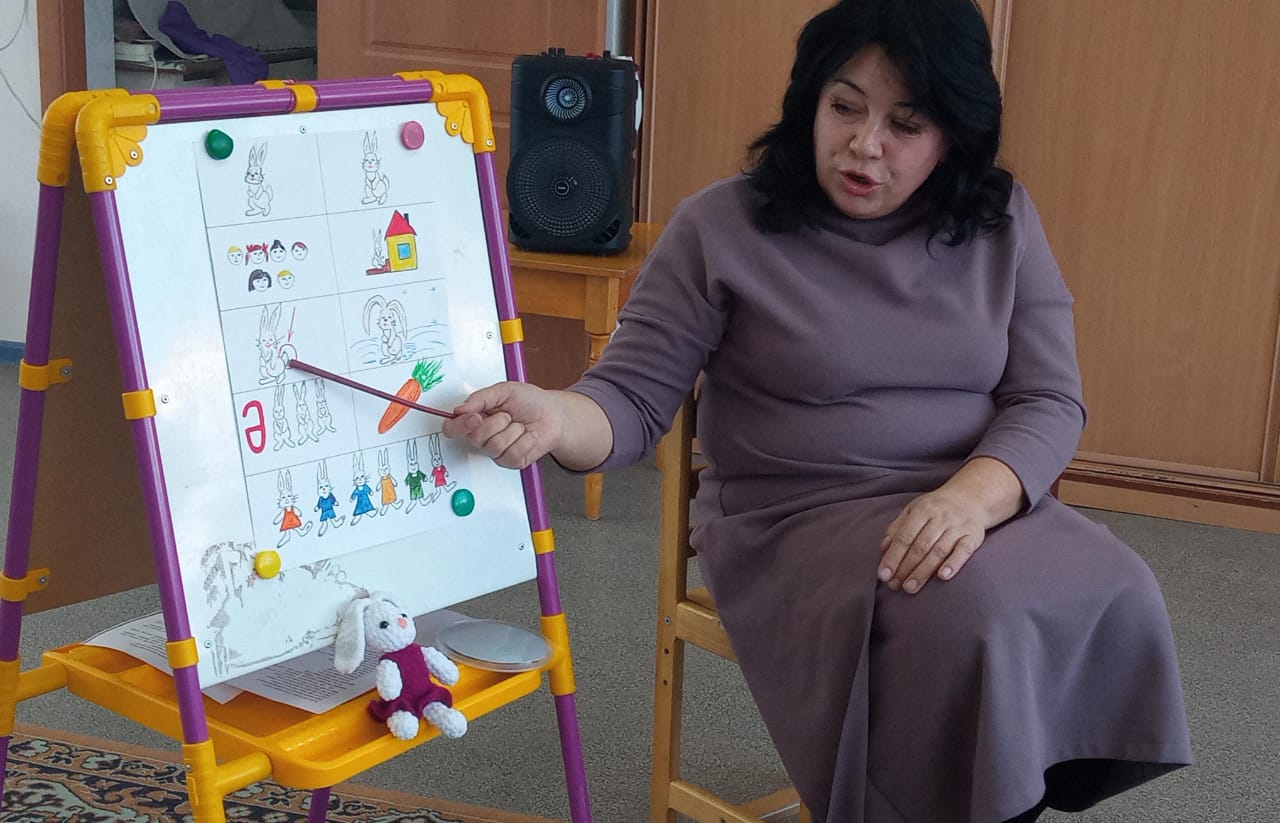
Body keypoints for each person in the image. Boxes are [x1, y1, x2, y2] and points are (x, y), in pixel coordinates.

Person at [443, 0, 1193, 820]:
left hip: (972, 495)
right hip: (796, 514)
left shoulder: (1000, 218)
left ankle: (1006, 790)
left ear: (953, 136)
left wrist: (969, 500)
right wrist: (556, 415)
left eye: (906, 124)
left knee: (1117, 585)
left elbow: (1048, 396)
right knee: (975, 618)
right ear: (810, 102)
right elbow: (629, 398)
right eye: (844, 107)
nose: (865, 144)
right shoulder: (720, 226)